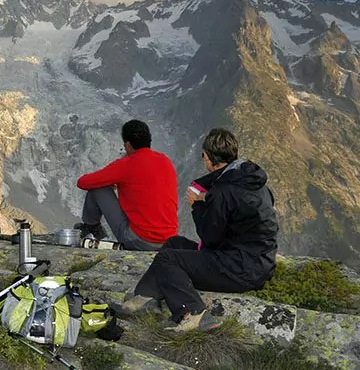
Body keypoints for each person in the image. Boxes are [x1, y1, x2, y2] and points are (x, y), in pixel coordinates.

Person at [124, 128, 279, 332]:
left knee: (167, 259)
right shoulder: (252, 182)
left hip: (241, 269)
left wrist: (197, 204)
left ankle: (193, 314)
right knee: (174, 243)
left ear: (207, 157)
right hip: (255, 261)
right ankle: (145, 298)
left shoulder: (223, 192)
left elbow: (209, 238)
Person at [74, 119, 178, 251]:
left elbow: (83, 182)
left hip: (140, 241)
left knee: (98, 188)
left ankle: (91, 228)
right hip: (169, 241)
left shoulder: (126, 165)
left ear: (128, 144)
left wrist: (117, 172)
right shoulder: (165, 161)